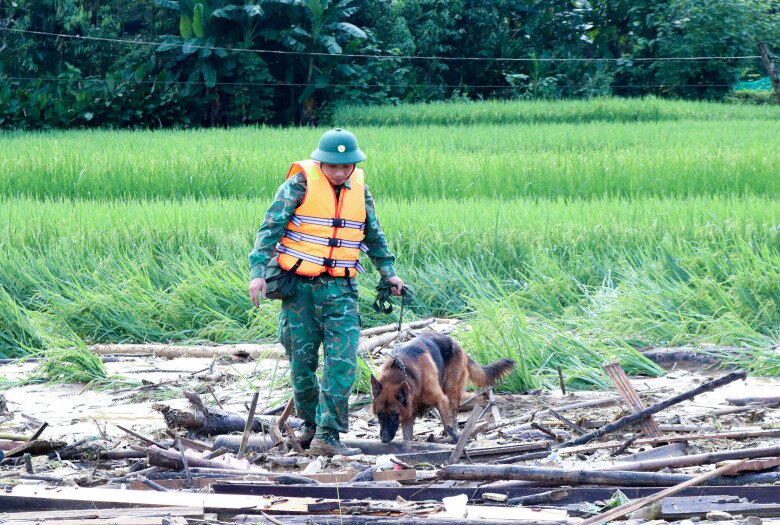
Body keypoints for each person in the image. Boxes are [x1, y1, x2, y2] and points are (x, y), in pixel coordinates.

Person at [248, 128, 404, 456]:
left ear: (353, 165)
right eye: (332, 165)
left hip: (341, 290)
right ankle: (310, 425)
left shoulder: (360, 190)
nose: (339, 172)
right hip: (299, 291)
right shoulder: (298, 184)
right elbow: (269, 229)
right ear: (321, 163)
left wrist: (389, 272)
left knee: (342, 363)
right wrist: (257, 274)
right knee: (301, 364)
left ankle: (328, 435)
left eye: (345, 166)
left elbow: (373, 235)